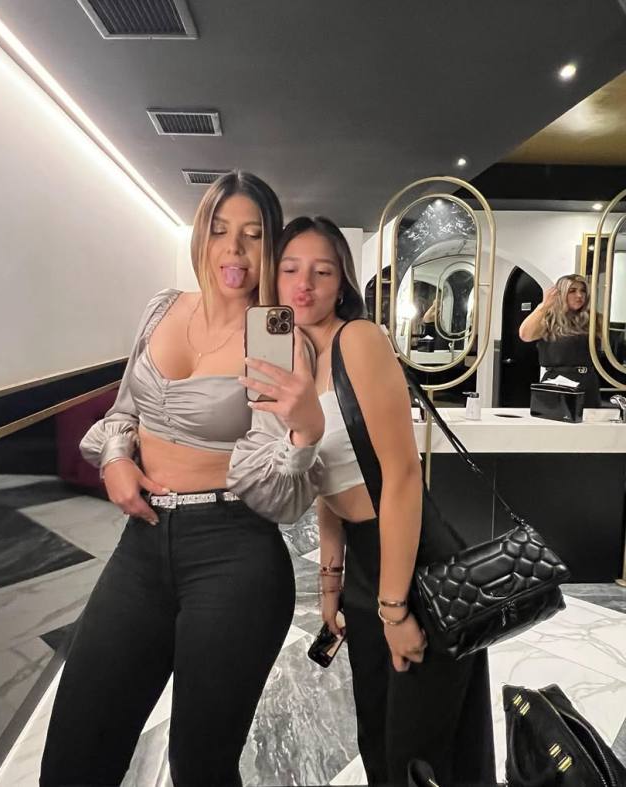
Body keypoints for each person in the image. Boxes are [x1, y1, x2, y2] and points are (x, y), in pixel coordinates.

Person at [40, 172, 324, 787]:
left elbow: (280, 498)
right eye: (220, 230)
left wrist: (303, 436)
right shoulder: (163, 308)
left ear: (270, 245)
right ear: (200, 235)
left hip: (233, 554)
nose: (234, 249)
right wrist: (116, 458)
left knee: (200, 767)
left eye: (253, 235)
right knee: (73, 753)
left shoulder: (273, 338)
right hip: (141, 549)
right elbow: (123, 412)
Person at [233, 217, 496, 787]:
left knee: (417, 752)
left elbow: (401, 477)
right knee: (376, 736)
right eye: (290, 269)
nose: (304, 285)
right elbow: (326, 483)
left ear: (342, 284)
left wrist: (395, 609)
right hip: (366, 564)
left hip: (417, 560)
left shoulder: (358, 339)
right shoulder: (296, 361)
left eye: (322, 272)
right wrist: (332, 586)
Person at [519, 273, 601, 407]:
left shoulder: (593, 319)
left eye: (583, 291)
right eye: (572, 291)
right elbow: (525, 335)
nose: (579, 295)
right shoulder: (549, 319)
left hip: (587, 381)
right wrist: (544, 306)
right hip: (556, 383)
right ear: (561, 294)